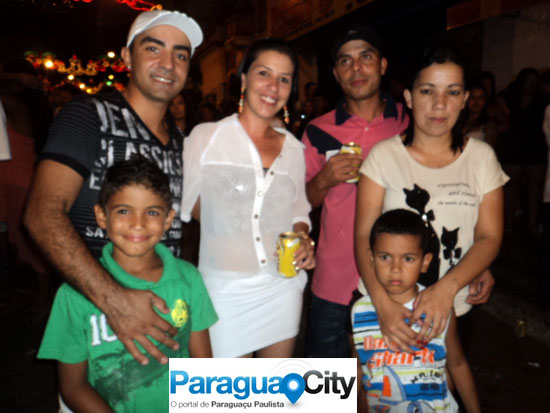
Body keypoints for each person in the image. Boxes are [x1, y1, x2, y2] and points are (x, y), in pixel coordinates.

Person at [24, 9, 203, 365]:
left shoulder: (184, 145)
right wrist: (116, 301)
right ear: (127, 57)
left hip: (165, 320)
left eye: (180, 55)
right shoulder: (88, 116)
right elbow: (42, 214)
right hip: (95, 322)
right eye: (153, 49)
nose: (168, 64)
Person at [355, 46, 508, 353]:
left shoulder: (481, 158)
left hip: (454, 306)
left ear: (464, 99)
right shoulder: (384, 156)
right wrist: (382, 304)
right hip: (387, 306)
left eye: (452, 92)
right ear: (409, 97)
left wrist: (446, 289)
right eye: (427, 91)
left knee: (449, 381)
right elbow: (363, 236)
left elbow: (489, 236)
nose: (439, 104)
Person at [38, 155, 217, 413]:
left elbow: (203, 363)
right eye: (124, 211)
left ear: (168, 219)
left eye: (152, 212)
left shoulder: (189, 278)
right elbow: (73, 387)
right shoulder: (74, 295)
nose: (138, 223)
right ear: (102, 216)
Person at [182, 38, 315, 358]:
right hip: (223, 290)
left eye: (284, 79)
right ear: (244, 79)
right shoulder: (206, 137)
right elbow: (189, 210)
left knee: (273, 387)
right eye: (264, 73)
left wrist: (303, 237)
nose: (273, 87)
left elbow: (299, 210)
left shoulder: (294, 148)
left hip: (282, 287)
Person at [302, 24, 408, 357]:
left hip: (398, 279)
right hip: (334, 281)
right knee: (327, 382)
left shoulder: (409, 122)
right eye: (345, 61)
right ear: (336, 73)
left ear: (383, 65)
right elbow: (298, 203)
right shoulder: (317, 130)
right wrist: (323, 180)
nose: (356, 68)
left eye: (366, 57)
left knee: (389, 381)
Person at [352, 209, 481, 412]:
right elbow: (358, 367)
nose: (395, 268)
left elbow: (457, 365)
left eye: (408, 259)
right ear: (371, 258)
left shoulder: (439, 309)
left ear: (425, 262)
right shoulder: (359, 311)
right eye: (385, 257)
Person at [463, 83, 498, 148]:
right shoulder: (458, 120)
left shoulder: (489, 124)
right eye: (472, 97)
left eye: (481, 97)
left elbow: (489, 149)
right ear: (466, 99)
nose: (476, 101)